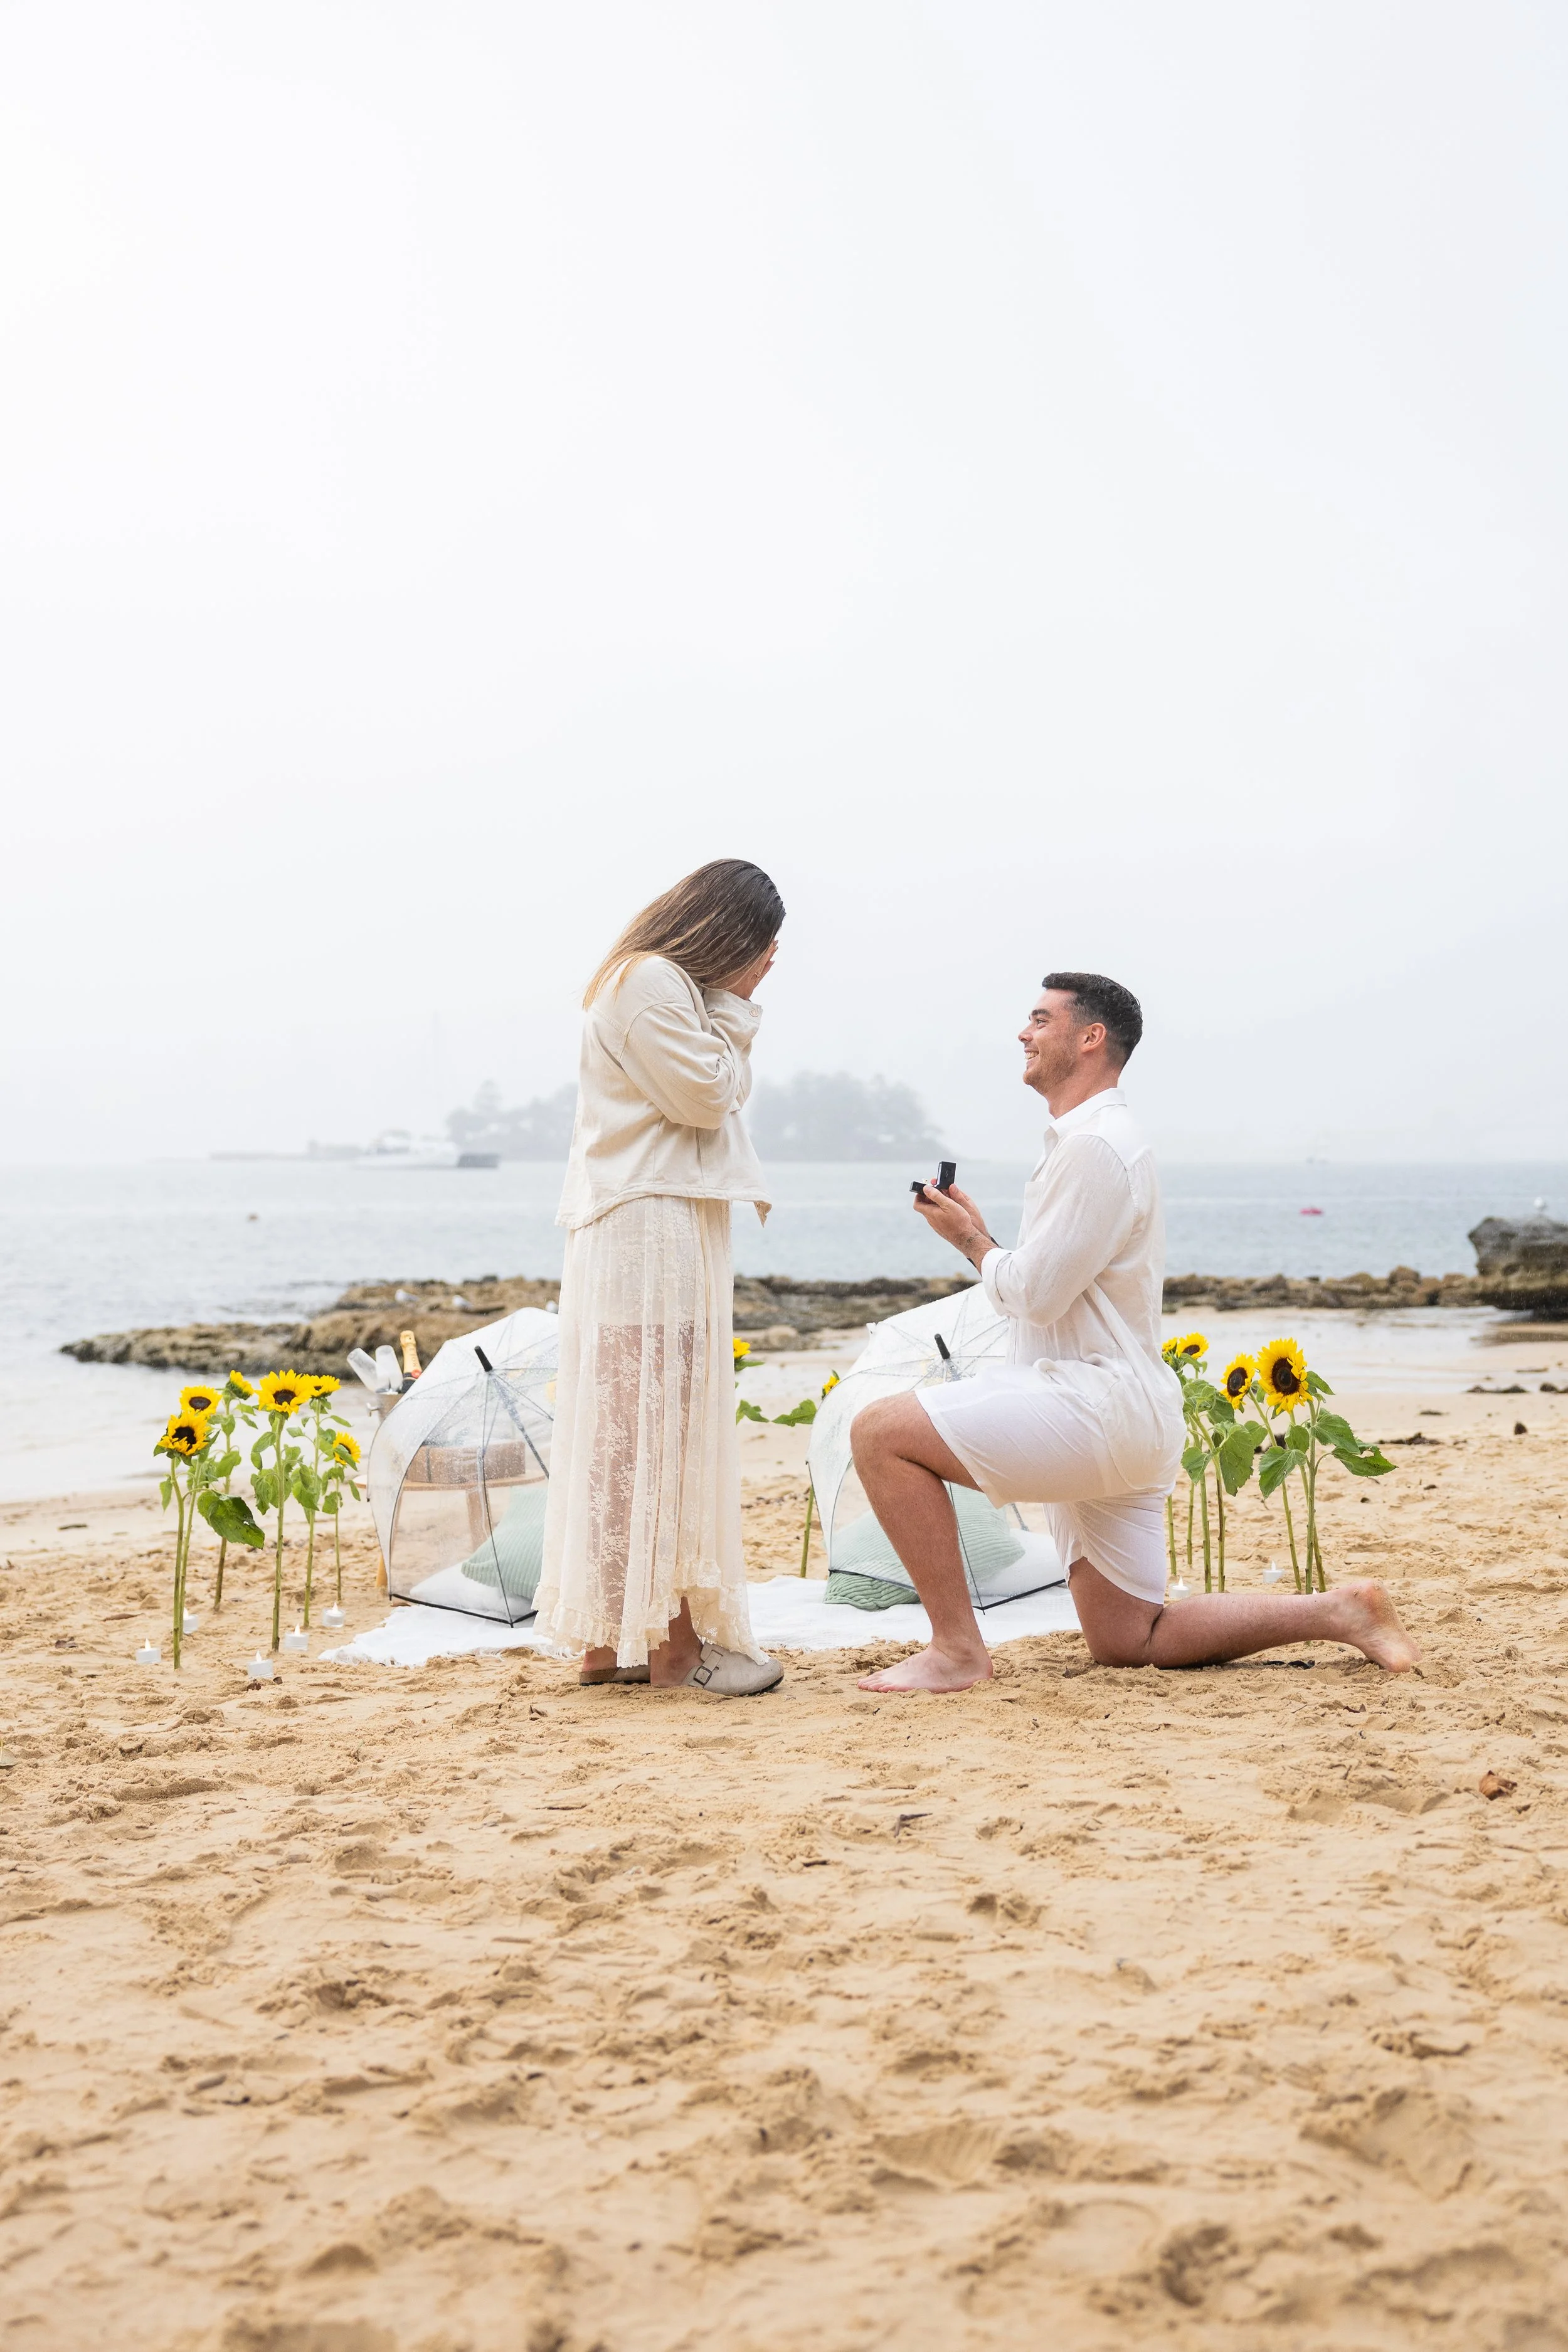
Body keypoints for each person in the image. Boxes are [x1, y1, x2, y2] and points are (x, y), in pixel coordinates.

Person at [850, 972, 1419, 1693]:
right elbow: (1048, 1284)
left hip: (1092, 1407)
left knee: (879, 1433)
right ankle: (1341, 1611)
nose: (1022, 1034)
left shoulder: (1095, 1146)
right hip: (1125, 1413)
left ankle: (957, 1651)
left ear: (1090, 1039)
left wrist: (970, 1241)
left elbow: (1033, 1293)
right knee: (1129, 1638)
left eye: (1038, 1020)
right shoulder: (1090, 1141)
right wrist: (985, 1238)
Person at [532, 859, 785, 1697]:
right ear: (727, 932)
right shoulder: (653, 982)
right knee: (658, 1434)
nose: (762, 964)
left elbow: (704, 1092)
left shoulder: (646, 981)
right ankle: (676, 1649)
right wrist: (740, 1006)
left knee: (627, 1433)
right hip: (652, 1224)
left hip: (641, 1217)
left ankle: (609, 1644)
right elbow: (708, 1097)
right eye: (758, 948)